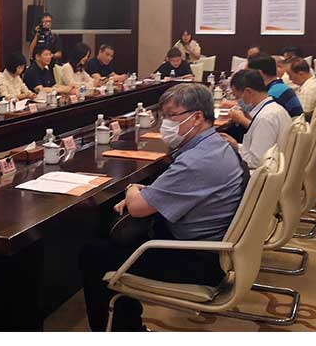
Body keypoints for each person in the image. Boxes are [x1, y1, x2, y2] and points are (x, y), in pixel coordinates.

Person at [80, 84, 245, 331]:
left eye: (171, 116)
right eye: (163, 116)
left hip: (197, 260)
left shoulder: (197, 160)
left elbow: (137, 208)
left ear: (197, 117)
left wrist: (132, 189)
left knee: (93, 254)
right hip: (213, 249)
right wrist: (144, 193)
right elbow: (175, 190)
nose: (165, 123)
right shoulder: (216, 145)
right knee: (117, 239)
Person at [220, 69, 291, 169]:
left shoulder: (265, 118)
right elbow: (259, 151)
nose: (237, 101)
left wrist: (234, 152)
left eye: (237, 96)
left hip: (260, 173)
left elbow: (255, 162)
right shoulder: (274, 109)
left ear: (248, 92)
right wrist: (237, 146)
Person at [247, 54, 303, 118]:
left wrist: (241, 119)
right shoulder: (279, 86)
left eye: (249, 74)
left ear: (260, 73)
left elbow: (260, 120)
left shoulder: (273, 93)